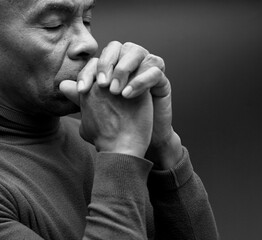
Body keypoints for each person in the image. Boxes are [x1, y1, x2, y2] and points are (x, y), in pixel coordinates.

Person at [0, 0, 219, 239]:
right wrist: (121, 151)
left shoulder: (101, 139)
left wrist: (164, 149)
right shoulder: (115, 149)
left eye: (86, 20)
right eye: (53, 25)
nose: (89, 43)